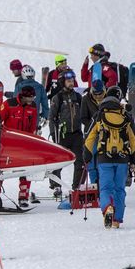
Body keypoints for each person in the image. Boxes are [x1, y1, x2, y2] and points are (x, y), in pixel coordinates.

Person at [83, 96, 135, 227]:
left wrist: (86, 156)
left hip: (104, 158)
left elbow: (89, 138)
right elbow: (134, 141)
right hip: (122, 159)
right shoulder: (125, 117)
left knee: (105, 188)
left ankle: (108, 207)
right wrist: (134, 160)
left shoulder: (99, 116)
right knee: (120, 189)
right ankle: (117, 220)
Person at [1, 86, 40, 207]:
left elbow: (33, 125)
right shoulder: (8, 104)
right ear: (23, 96)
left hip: (24, 143)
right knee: (1, 169)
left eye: (33, 97)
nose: (32, 99)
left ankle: (24, 196)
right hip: (9, 143)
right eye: (30, 97)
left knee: (27, 170)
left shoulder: (33, 106)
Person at [48, 70, 85, 198]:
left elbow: (84, 114)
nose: (71, 83)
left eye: (72, 80)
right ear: (63, 82)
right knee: (59, 161)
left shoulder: (78, 97)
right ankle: (56, 185)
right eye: (68, 81)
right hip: (62, 134)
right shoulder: (57, 98)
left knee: (80, 161)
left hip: (76, 134)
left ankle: (77, 187)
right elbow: (51, 117)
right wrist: (53, 133)